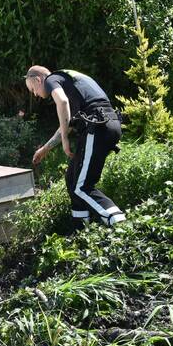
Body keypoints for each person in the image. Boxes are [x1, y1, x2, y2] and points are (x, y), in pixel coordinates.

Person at [25, 65, 126, 228]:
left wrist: (65, 139)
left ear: (38, 79)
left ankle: (120, 224)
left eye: (32, 89)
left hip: (97, 127)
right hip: (107, 124)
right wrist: (45, 149)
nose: (35, 94)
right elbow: (67, 123)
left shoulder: (51, 79)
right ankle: (81, 228)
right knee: (72, 179)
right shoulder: (69, 80)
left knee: (82, 187)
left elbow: (62, 102)